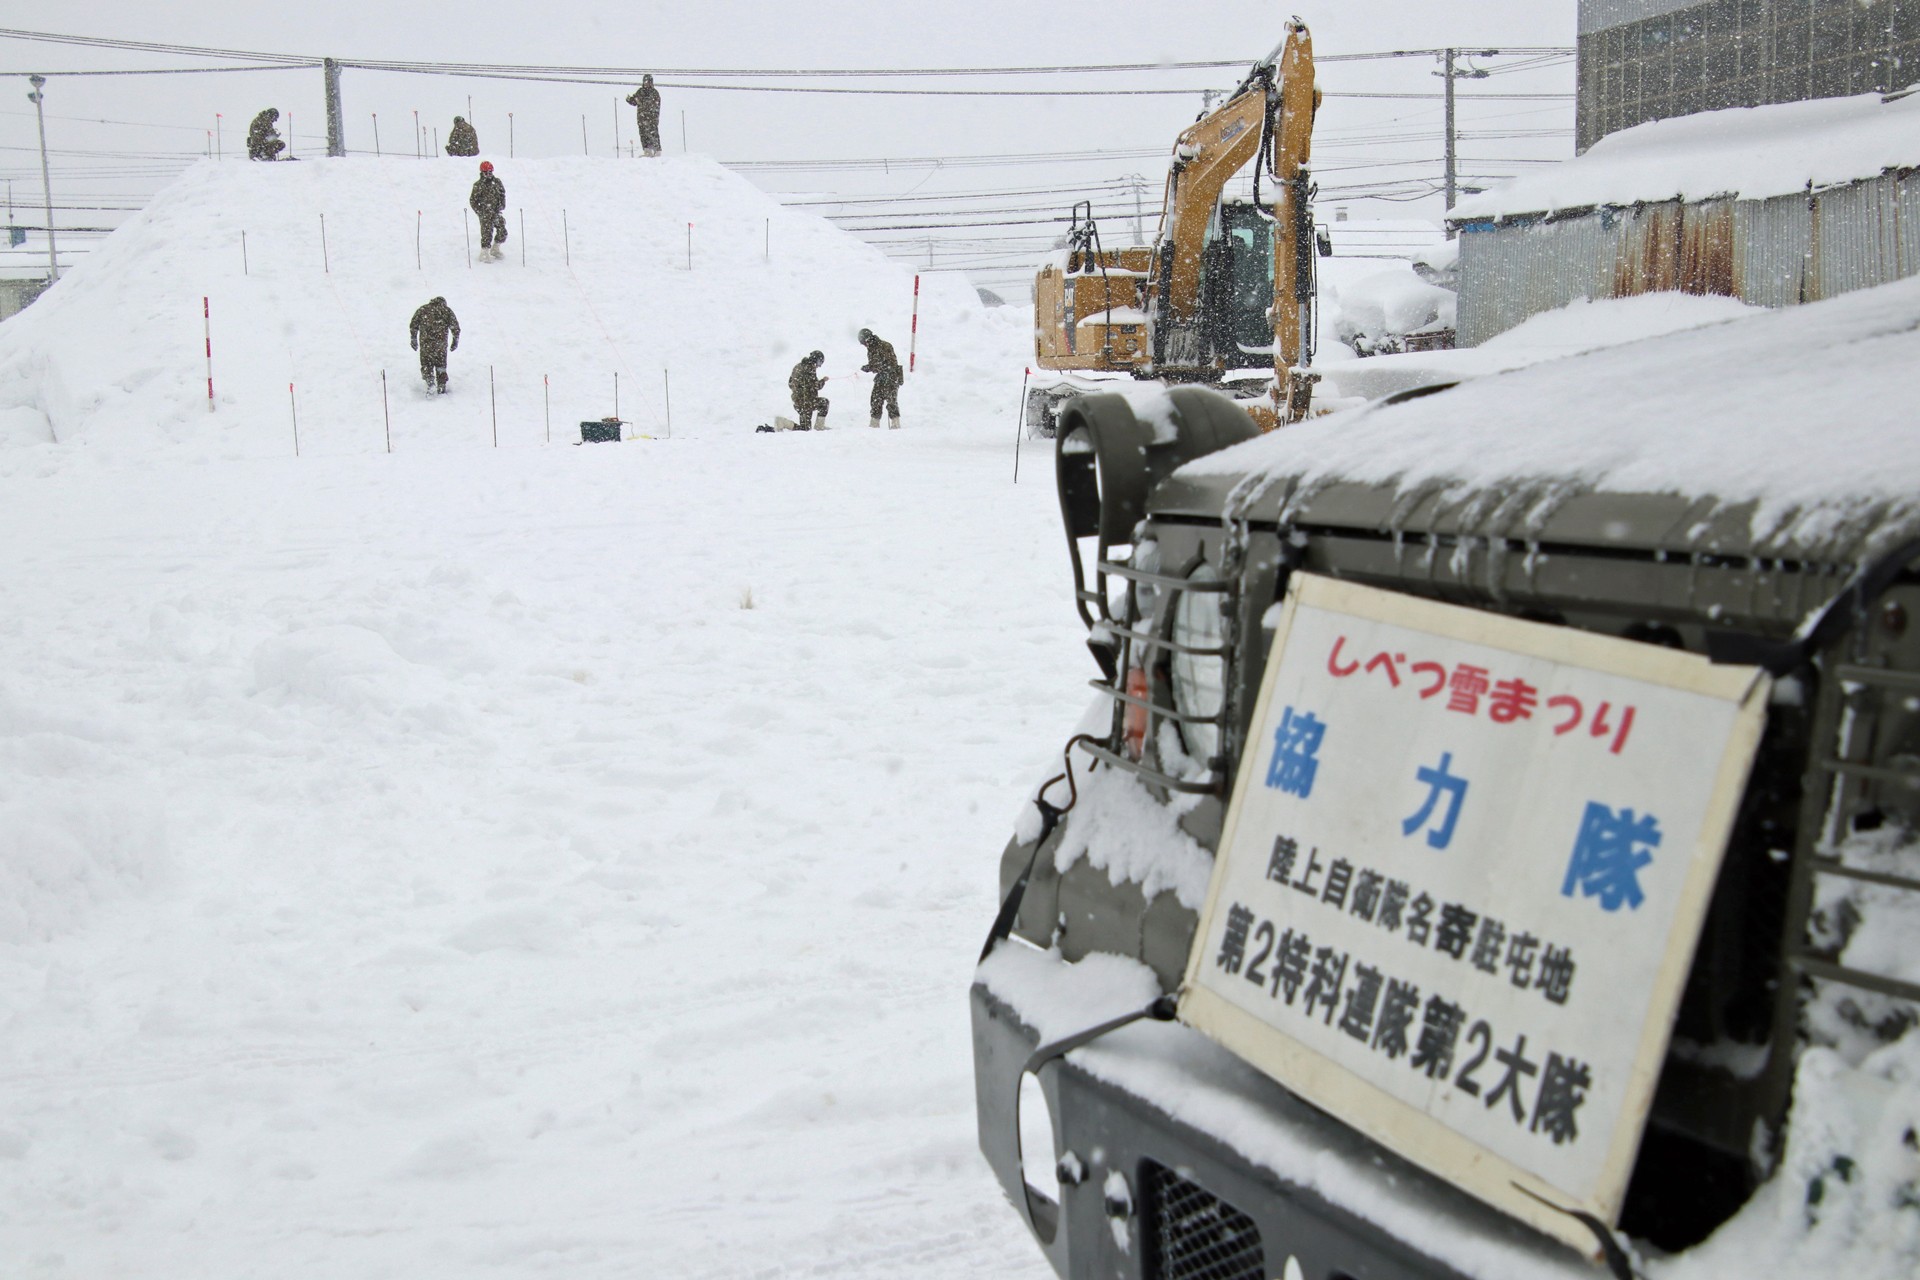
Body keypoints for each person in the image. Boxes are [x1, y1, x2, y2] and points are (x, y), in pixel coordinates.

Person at [409, 296, 461, 395]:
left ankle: (430, 383)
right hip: (440, 346)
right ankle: (441, 385)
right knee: (441, 365)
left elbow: (413, 324)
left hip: (426, 344)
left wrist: (413, 338)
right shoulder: (446, 311)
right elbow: (455, 327)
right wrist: (455, 341)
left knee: (426, 364)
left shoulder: (423, 309)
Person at [857, 327, 903, 429]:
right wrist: (870, 367)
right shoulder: (871, 349)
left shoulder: (884, 346)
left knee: (891, 401)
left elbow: (889, 364)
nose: (864, 345)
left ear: (868, 339)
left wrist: (870, 367)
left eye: (864, 342)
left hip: (891, 376)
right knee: (875, 400)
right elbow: (876, 364)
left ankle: (895, 424)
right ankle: (874, 424)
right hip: (881, 377)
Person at [469, 160, 507, 262]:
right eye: (486, 173)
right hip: (485, 213)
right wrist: (480, 211)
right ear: (482, 173)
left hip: (495, 211)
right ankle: (484, 252)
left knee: (502, 230)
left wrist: (501, 205)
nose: (489, 175)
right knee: (486, 233)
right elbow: (473, 200)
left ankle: (495, 248)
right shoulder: (478, 185)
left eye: (490, 172)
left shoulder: (497, 182)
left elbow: (502, 194)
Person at [788, 350, 829, 431]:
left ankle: (783, 423)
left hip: (798, 402)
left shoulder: (798, 366)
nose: (819, 366)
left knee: (805, 428)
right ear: (816, 360)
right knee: (824, 403)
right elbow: (816, 386)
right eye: (820, 363)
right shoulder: (809, 369)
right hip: (806, 403)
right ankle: (819, 427)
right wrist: (823, 380)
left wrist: (798, 391)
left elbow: (790, 383)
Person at [626, 75, 663, 157]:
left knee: (653, 134)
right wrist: (630, 99)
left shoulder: (654, 93)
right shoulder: (640, 91)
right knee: (643, 135)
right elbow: (634, 101)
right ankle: (647, 151)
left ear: (651, 82)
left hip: (651, 119)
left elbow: (655, 105)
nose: (646, 83)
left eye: (648, 81)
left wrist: (642, 103)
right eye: (645, 81)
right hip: (641, 119)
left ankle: (657, 151)